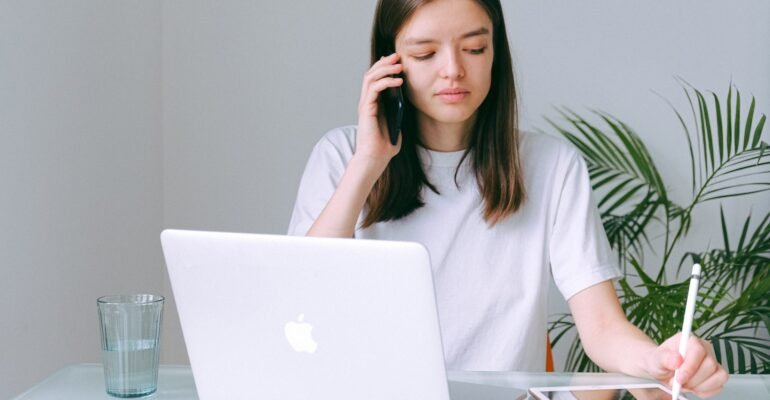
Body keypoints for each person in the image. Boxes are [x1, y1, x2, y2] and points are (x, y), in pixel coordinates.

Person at [288, 0, 728, 397]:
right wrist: (368, 162)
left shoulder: (553, 166)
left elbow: (603, 328)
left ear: (496, 52)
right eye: (425, 54)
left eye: (475, 49)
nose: (453, 70)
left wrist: (657, 362)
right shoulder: (341, 156)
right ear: (390, 63)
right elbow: (301, 300)